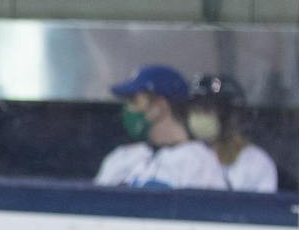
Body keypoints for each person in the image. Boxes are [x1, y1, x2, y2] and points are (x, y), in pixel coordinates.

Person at [93, 66, 228, 191]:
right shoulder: (120, 157)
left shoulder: (198, 160)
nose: (129, 109)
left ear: (161, 104)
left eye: (135, 101)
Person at [190, 74, 277, 193]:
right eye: (195, 110)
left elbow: (263, 209)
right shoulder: (183, 156)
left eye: (207, 110)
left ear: (230, 116)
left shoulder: (255, 162)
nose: (200, 116)